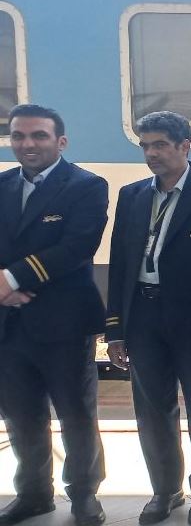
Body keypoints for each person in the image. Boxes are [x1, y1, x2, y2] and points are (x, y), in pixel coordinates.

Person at [104, 111, 191, 525]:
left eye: (160, 145)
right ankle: (165, 490)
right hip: (143, 317)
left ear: (185, 146)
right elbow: (120, 264)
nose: (152, 153)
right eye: (145, 146)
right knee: (151, 409)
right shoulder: (132, 195)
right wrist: (116, 329)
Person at [0, 104, 107, 526]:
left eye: (39, 135)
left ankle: (84, 494)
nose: (28, 144)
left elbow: (76, 247)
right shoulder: (1, 185)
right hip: (9, 323)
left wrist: (9, 278)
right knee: (20, 414)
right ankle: (34, 494)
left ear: (60, 141)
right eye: (19, 136)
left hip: (64, 324)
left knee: (76, 413)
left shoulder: (85, 186)